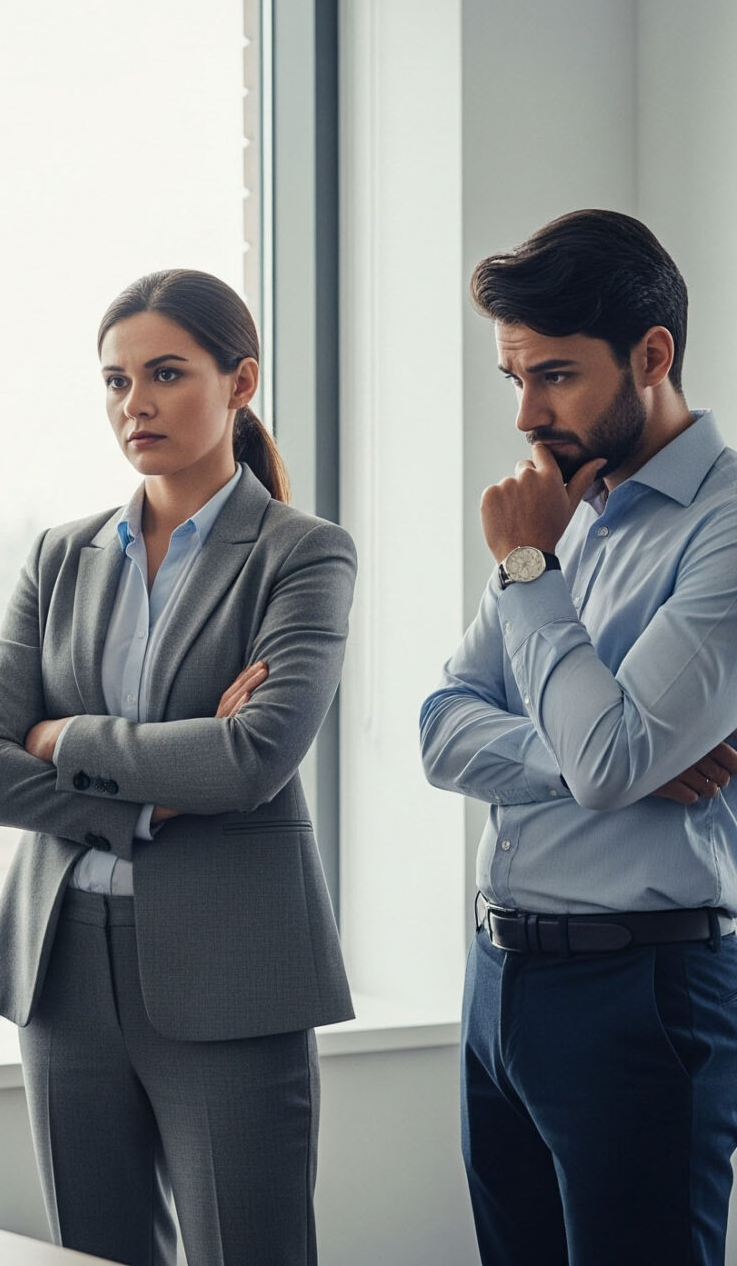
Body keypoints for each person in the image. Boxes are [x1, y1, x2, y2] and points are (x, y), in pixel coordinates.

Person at [0, 269, 356, 1266]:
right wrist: (142, 805)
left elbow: (248, 760)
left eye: (166, 373)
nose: (133, 403)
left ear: (241, 382)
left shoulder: (302, 554)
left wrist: (61, 737)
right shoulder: (58, 555)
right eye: (115, 380)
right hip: (60, 966)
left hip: (231, 969)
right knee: (89, 1254)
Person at [418, 209, 737, 1266]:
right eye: (514, 377)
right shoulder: (560, 514)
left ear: (652, 355)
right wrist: (617, 758)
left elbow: (609, 761)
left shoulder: (718, 527)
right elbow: (442, 729)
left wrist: (525, 572)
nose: (526, 414)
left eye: (554, 375)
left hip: (640, 992)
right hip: (497, 983)